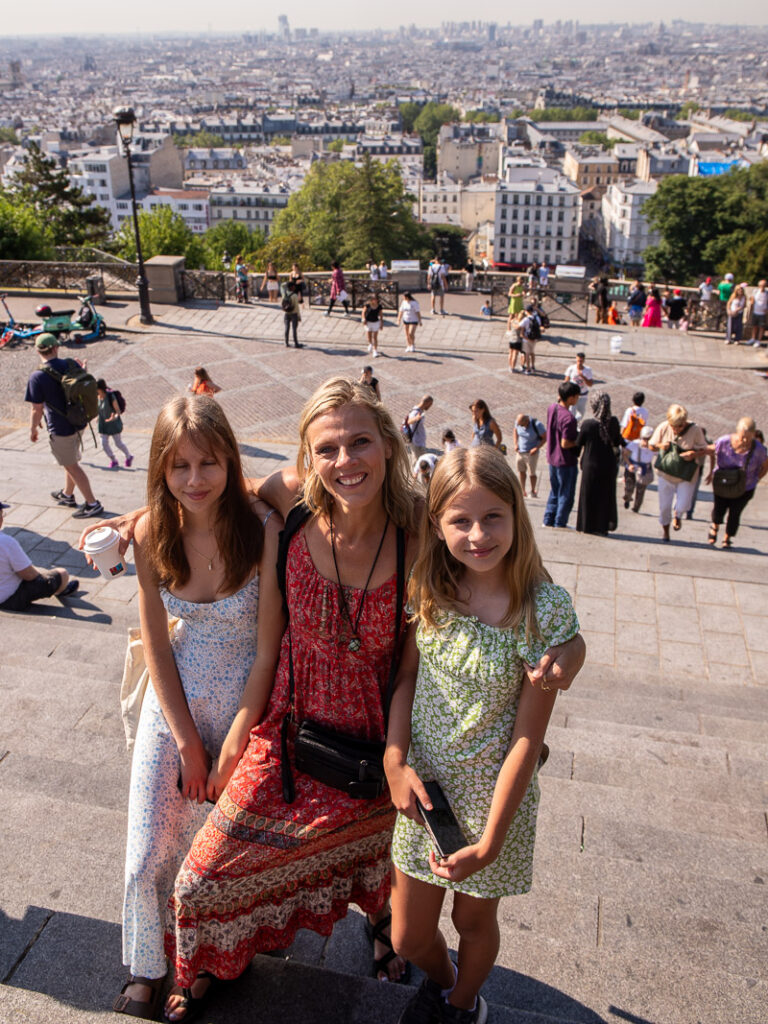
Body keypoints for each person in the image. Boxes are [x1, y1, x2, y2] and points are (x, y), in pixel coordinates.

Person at [385, 445, 581, 1024]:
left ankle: (462, 1004)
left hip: (496, 805)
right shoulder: (430, 584)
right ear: (437, 524)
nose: (478, 534)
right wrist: (396, 761)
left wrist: (492, 841)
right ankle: (443, 982)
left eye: (493, 516)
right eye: (460, 520)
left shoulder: (543, 610)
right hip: (426, 798)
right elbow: (406, 678)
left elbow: (527, 738)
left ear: (517, 514)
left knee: (473, 922)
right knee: (408, 937)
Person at [115, 395, 284, 1021]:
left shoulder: (262, 529)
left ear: (230, 462)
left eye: (208, 463)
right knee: (148, 848)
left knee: (209, 855)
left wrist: (237, 740)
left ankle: (203, 961)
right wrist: (187, 741)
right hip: (176, 704)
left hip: (247, 705)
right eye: (178, 465)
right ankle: (145, 965)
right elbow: (155, 642)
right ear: (160, 468)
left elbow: (267, 650)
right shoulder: (150, 533)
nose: (193, 480)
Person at [25, 332, 103, 519]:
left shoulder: (37, 376)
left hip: (60, 429)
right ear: (56, 347)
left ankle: (93, 504)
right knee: (71, 462)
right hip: (79, 422)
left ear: (38, 350)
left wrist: (33, 429)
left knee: (71, 466)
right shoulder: (70, 363)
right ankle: (67, 495)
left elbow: (36, 409)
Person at [0, 500, 79, 611]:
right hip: (9, 599)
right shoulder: (6, 542)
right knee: (62, 574)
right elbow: (29, 575)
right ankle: (61, 591)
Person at [648, 404, 708, 542]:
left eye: (680, 426)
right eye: (674, 426)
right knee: (664, 507)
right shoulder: (664, 427)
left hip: (686, 475)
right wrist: (660, 446)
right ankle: (666, 531)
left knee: (683, 504)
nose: (676, 430)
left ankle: (678, 515)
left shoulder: (695, 430)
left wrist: (693, 454)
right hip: (666, 473)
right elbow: (650, 445)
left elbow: (706, 449)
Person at [706, 417, 768, 550]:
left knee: (735, 512)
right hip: (723, 482)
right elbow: (711, 449)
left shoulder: (760, 449)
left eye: (748, 437)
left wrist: (757, 479)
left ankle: (727, 537)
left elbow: (765, 465)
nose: (745, 440)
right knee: (719, 509)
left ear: (753, 434)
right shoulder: (724, 441)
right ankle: (715, 525)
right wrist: (694, 452)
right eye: (742, 437)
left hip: (745, 487)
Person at [575, 391, 624, 536]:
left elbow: (579, 444)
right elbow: (617, 442)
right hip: (608, 465)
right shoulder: (613, 422)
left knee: (588, 495)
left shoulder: (588, 425)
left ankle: (587, 525)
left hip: (591, 464)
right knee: (605, 496)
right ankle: (602, 526)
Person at [542, 382, 580, 529]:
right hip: (565, 461)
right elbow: (565, 443)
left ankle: (548, 519)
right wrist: (579, 440)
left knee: (555, 490)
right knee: (566, 494)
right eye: (576, 396)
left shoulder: (552, 408)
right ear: (571, 398)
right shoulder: (569, 418)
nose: (577, 399)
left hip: (552, 457)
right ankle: (560, 522)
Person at [96, 378, 133, 469]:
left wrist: (114, 417)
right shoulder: (97, 396)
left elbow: (118, 411)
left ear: (100, 388)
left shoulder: (110, 396)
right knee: (104, 443)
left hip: (113, 425)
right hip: (103, 425)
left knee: (118, 443)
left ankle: (128, 456)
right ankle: (113, 460)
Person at [622, 426, 655, 513]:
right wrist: (629, 464)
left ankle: (636, 507)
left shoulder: (654, 447)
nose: (646, 441)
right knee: (629, 486)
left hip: (644, 469)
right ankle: (627, 498)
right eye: (644, 439)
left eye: (648, 439)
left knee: (641, 489)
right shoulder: (634, 444)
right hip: (632, 466)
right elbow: (625, 454)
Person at [513, 413, 546, 498]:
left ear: (527, 421)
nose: (520, 426)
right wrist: (516, 444)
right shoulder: (518, 423)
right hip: (520, 452)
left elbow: (545, 437)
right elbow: (515, 431)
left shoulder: (537, 425)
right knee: (521, 471)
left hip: (531, 453)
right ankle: (522, 490)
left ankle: (532, 490)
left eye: (522, 424)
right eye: (519, 424)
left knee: (532, 473)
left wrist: (537, 448)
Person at [564, 352, 594, 421]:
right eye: (578, 361)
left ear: (584, 361)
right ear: (576, 359)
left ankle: (574, 423)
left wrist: (583, 376)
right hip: (573, 395)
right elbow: (566, 381)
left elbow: (590, 384)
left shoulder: (588, 370)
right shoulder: (571, 368)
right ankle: (572, 425)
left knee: (581, 413)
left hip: (583, 396)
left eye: (581, 361)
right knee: (571, 413)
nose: (579, 363)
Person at [406, 395, 434, 465]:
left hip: (419, 441)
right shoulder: (415, 412)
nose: (430, 407)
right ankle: (417, 475)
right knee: (423, 462)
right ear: (427, 403)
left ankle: (414, 474)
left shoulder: (420, 411)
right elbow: (409, 421)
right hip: (417, 443)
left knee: (416, 461)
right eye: (430, 405)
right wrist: (416, 418)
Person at [517, 305, 540, 376]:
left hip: (526, 339)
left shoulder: (526, 319)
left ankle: (528, 368)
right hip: (534, 339)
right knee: (532, 352)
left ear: (527, 311)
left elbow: (519, 326)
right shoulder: (537, 318)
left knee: (527, 354)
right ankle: (533, 366)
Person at [282, 280, 303, 348]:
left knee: (286, 328)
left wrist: (286, 283)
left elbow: (281, 286)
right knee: (294, 329)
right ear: (292, 287)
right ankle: (296, 343)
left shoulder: (284, 294)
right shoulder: (294, 295)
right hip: (294, 313)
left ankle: (286, 342)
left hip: (286, 313)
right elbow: (296, 307)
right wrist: (299, 315)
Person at [362, 292, 383, 356]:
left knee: (375, 337)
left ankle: (375, 350)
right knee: (369, 335)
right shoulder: (367, 305)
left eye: (375, 299)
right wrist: (363, 319)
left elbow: (381, 315)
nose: (374, 300)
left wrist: (381, 323)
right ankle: (370, 343)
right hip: (368, 322)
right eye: (373, 299)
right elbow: (363, 312)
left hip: (375, 322)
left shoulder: (379, 306)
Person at [748, 280, 767, 346]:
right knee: (754, 326)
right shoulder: (755, 291)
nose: (762, 287)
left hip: (762, 313)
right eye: (761, 285)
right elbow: (752, 299)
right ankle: (753, 338)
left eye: (764, 285)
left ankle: (758, 340)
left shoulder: (767, 293)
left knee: (761, 327)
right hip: (755, 312)